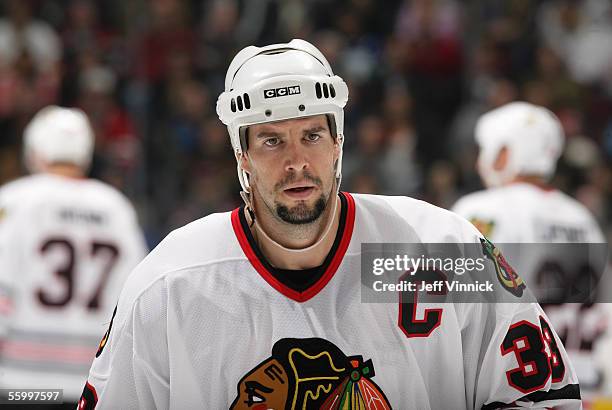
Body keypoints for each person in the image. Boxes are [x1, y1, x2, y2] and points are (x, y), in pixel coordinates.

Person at [80, 40, 581, 409]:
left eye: (312, 135)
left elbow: (547, 398)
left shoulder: (440, 249)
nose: (297, 161)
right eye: (272, 141)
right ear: (242, 158)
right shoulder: (171, 283)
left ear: (338, 144)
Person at [452, 101, 611, 403]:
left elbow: (449, 301)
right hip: (584, 389)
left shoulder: (484, 209)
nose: (479, 163)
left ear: (504, 152)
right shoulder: (582, 218)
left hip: (523, 387)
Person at [0, 106, 147, 406]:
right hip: (92, 384)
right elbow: (135, 299)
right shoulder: (116, 208)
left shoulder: (15, 201)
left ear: (34, 151)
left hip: (21, 381)